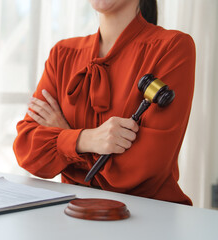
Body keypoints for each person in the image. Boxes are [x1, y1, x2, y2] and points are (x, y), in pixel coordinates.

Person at [13, 0, 195, 205]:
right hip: (73, 214)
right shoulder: (62, 54)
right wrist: (86, 139)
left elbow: (145, 168)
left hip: (148, 218)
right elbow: (27, 148)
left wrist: (64, 140)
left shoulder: (172, 47)